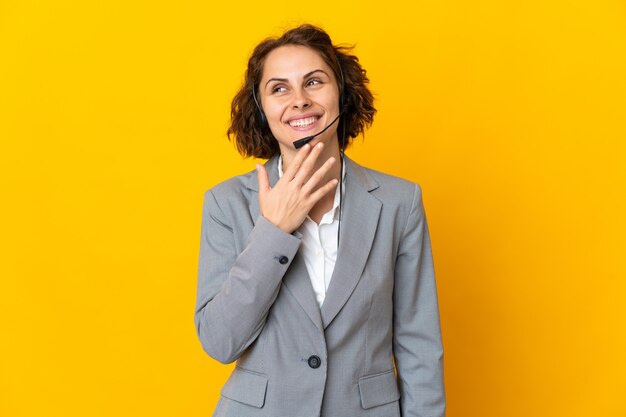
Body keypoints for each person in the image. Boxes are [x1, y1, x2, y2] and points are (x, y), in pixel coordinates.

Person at [194, 24, 445, 417]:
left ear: (342, 95)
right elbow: (220, 341)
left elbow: (420, 344)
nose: (299, 101)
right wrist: (273, 233)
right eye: (279, 89)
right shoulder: (226, 204)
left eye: (314, 82)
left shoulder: (401, 202)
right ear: (262, 109)